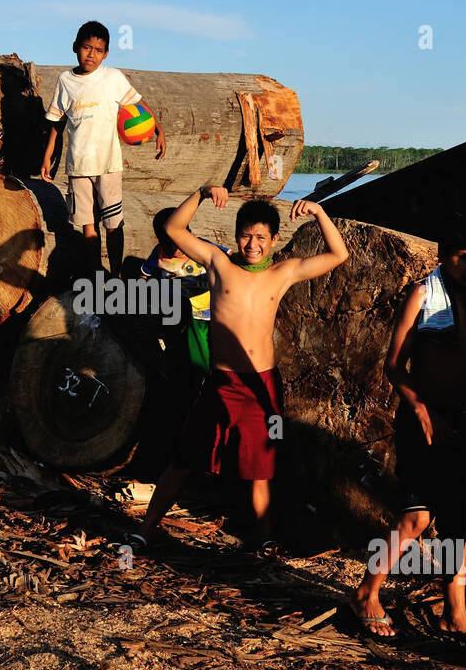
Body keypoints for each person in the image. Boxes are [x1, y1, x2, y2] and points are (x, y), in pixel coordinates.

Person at [127, 187, 349, 557]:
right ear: (236, 235)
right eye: (246, 234)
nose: (253, 243)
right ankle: (145, 531)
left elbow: (338, 254)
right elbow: (174, 228)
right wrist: (200, 194)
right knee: (183, 460)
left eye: (262, 236)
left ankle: (265, 539)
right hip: (220, 383)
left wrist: (319, 213)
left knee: (261, 467)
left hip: (261, 385)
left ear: (275, 240)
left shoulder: (283, 272)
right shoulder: (218, 263)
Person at [348, 216, 466, 638]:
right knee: (415, 519)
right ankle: (366, 592)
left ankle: (455, 613)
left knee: (457, 523)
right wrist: (420, 408)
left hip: (457, 425)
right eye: (461, 256)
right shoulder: (422, 294)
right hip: (419, 423)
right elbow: (394, 364)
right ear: (443, 256)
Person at [40, 20, 165, 277]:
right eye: (87, 47)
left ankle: (117, 274)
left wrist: (159, 131)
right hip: (78, 166)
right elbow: (57, 123)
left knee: (113, 224)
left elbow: (139, 106)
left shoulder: (112, 77)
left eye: (98, 50)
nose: (91, 54)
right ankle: (97, 274)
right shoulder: (65, 81)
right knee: (88, 227)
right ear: (76, 47)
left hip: (108, 164)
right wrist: (47, 156)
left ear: (106, 53)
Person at [141, 207, 227, 386]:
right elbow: (144, 274)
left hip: (205, 312)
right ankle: (172, 368)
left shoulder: (200, 246)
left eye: (177, 242)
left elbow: (227, 256)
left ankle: (205, 380)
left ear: (187, 234)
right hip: (175, 311)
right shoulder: (158, 254)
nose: (174, 248)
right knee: (174, 343)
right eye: (167, 243)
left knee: (203, 352)